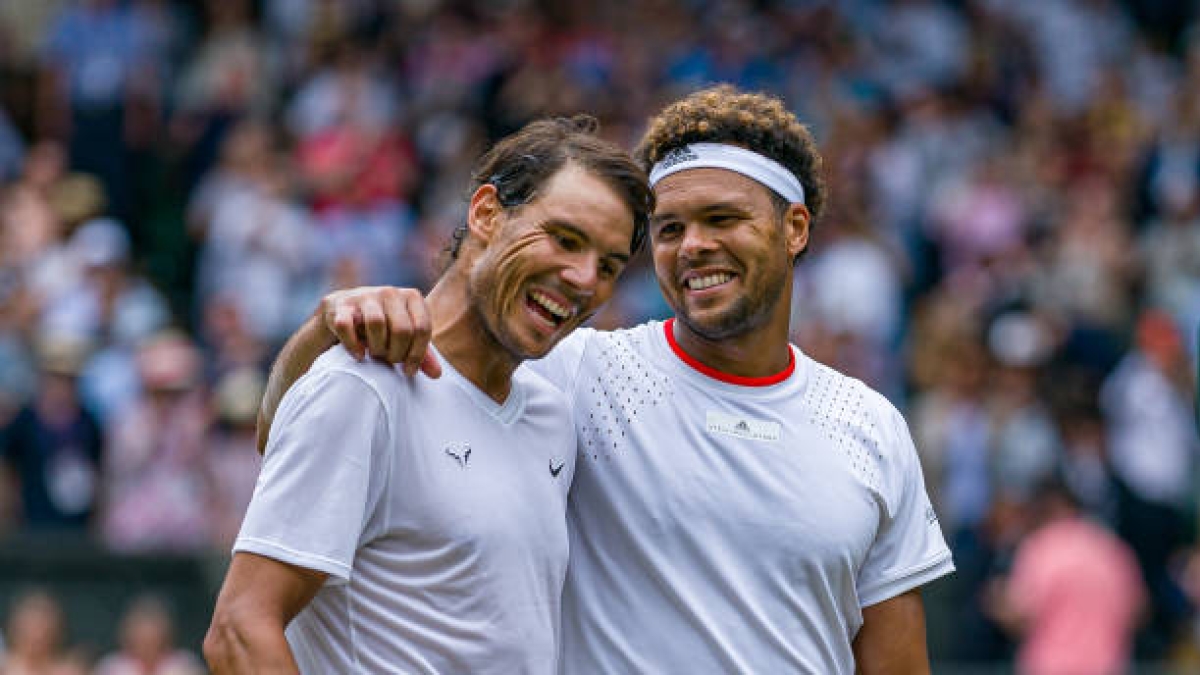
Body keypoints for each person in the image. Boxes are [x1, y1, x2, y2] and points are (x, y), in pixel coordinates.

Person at [260, 85, 954, 673]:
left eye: (723, 219)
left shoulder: (870, 424)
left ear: (795, 227)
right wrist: (331, 326)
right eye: (672, 228)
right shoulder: (572, 371)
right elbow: (291, 433)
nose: (694, 246)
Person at [203, 115, 649, 674]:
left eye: (608, 266)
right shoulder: (361, 386)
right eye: (565, 239)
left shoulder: (552, 410)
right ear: (486, 213)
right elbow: (239, 631)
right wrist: (322, 328)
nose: (585, 279)